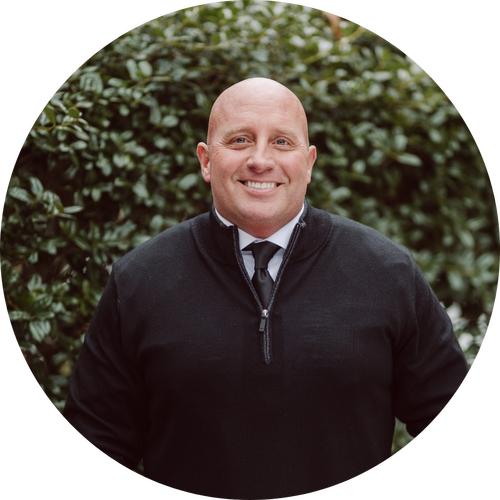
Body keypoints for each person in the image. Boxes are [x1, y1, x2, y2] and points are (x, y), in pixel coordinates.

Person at [62, 77, 469, 499]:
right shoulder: (139, 280)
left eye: (281, 142)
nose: (260, 160)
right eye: (240, 140)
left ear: (308, 163)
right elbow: (98, 439)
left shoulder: (387, 272)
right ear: (206, 160)